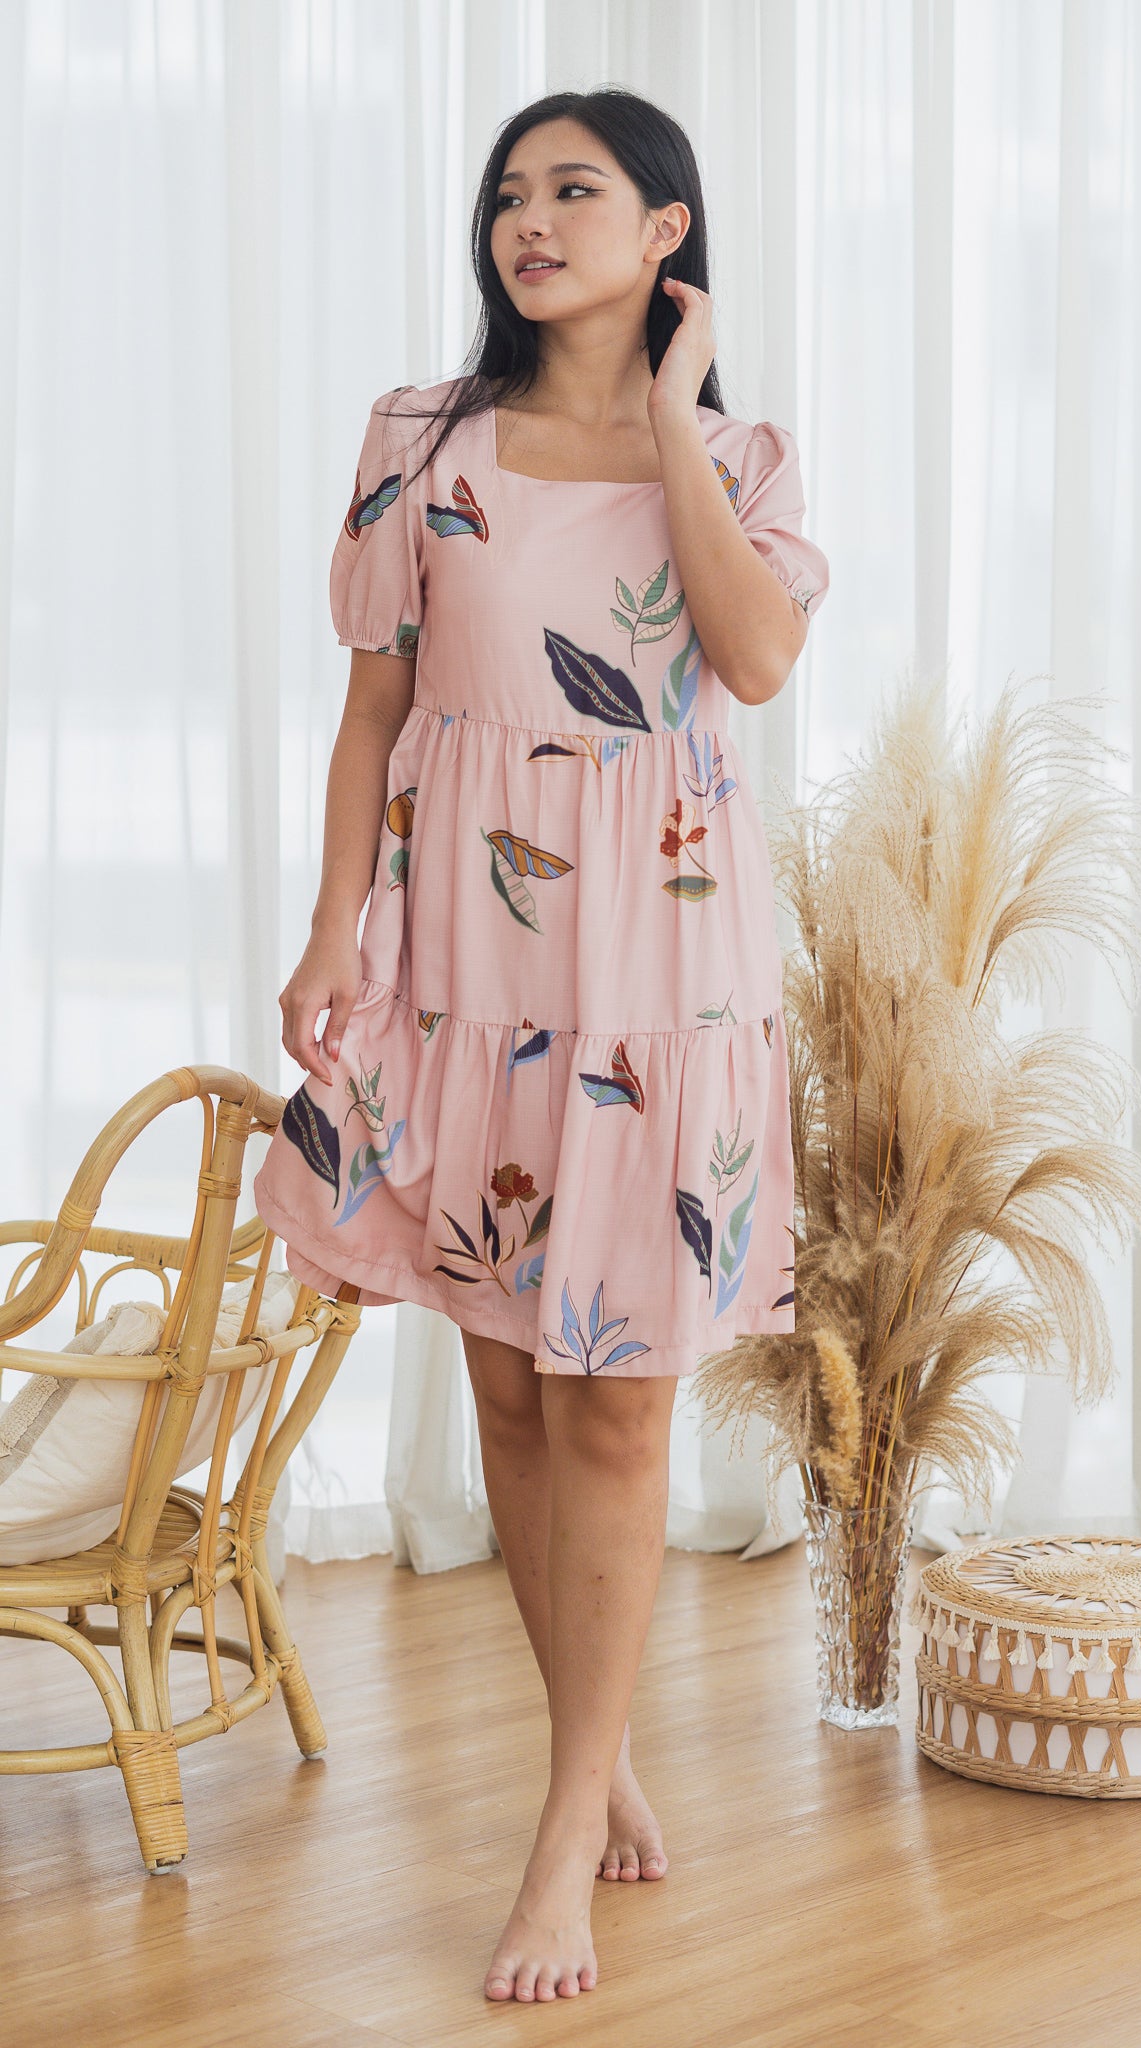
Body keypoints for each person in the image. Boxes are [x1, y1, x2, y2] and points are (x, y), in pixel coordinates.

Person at [253, 84, 829, 2004]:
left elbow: (754, 661)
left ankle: (563, 1828)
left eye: (577, 189)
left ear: (668, 231)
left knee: (622, 1397)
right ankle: (603, 1751)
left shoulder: (735, 456)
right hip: (474, 958)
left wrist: (669, 415)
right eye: (509, 191)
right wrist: (331, 927)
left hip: (661, 971)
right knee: (507, 1388)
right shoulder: (418, 442)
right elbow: (374, 713)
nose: (530, 219)